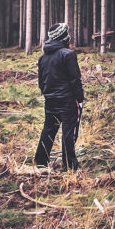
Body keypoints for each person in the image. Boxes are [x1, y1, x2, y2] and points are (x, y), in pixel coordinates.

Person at [34, 22, 84, 171]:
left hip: (50, 100)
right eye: (67, 33)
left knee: (48, 130)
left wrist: (48, 94)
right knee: (69, 132)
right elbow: (75, 80)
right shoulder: (68, 55)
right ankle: (70, 165)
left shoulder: (42, 58)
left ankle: (40, 162)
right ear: (63, 36)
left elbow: (41, 82)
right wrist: (79, 98)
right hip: (68, 101)